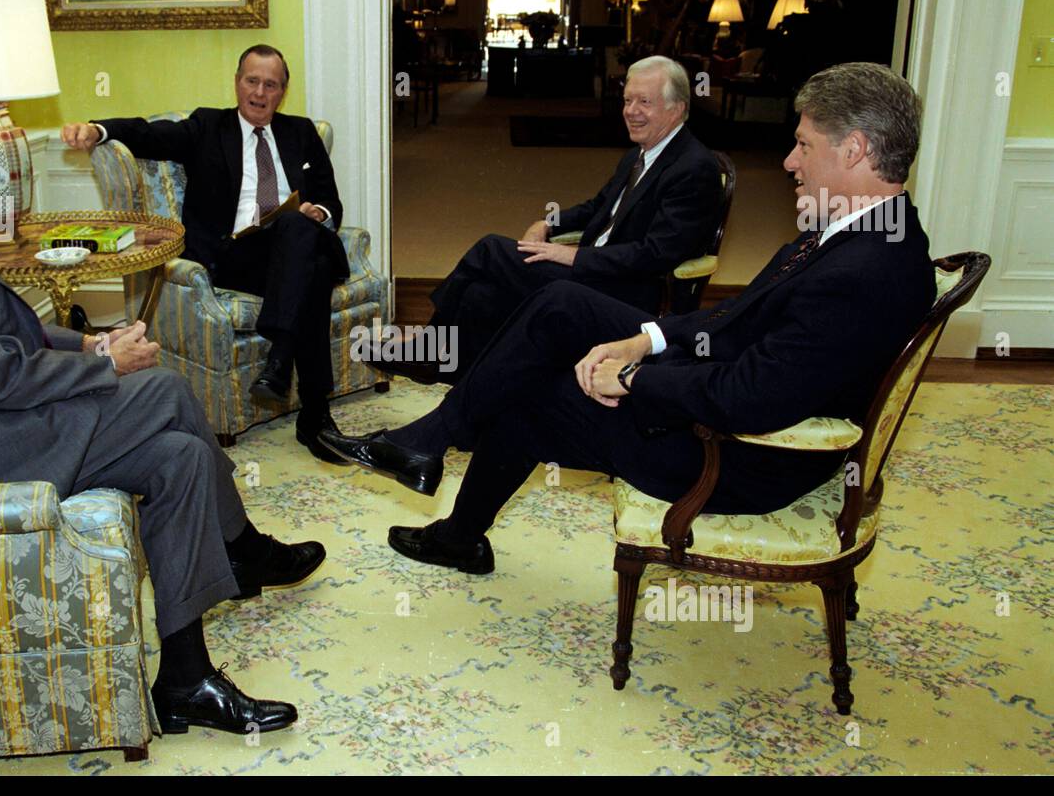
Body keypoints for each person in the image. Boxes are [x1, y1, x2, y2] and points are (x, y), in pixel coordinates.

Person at [0, 70, 326, 735]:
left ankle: (184, 679)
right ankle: (244, 547)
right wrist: (106, 364)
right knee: (166, 389)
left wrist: (88, 344)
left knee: (178, 458)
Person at [320, 61, 936, 573]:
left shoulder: (863, 273)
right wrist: (646, 339)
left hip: (741, 456)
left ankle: (440, 477)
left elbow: (753, 398)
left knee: (532, 385)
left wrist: (634, 379)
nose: (788, 162)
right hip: (727, 402)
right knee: (555, 306)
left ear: (855, 150)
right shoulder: (857, 236)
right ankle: (432, 445)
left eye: (803, 144)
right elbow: (734, 322)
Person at [62, 45, 349, 464]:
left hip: (293, 252)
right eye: (252, 80)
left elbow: (331, 204)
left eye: (270, 84)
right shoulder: (207, 126)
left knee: (302, 237)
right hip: (236, 257)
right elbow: (147, 133)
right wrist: (97, 129)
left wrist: (315, 212)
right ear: (237, 83)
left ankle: (282, 366)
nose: (259, 91)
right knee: (314, 263)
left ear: (282, 92)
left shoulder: (301, 132)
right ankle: (315, 413)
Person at [385, 55, 723, 384]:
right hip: (594, 271)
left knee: (489, 249)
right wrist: (548, 223)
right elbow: (597, 207)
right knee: (479, 294)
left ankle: (426, 347)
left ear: (676, 108)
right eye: (627, 100)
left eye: (644, 102)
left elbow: (656, 254)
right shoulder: (639, 154)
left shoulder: (694, 168)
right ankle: (453, 374)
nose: (631, 111)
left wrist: (573, 255)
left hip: (625, 290)